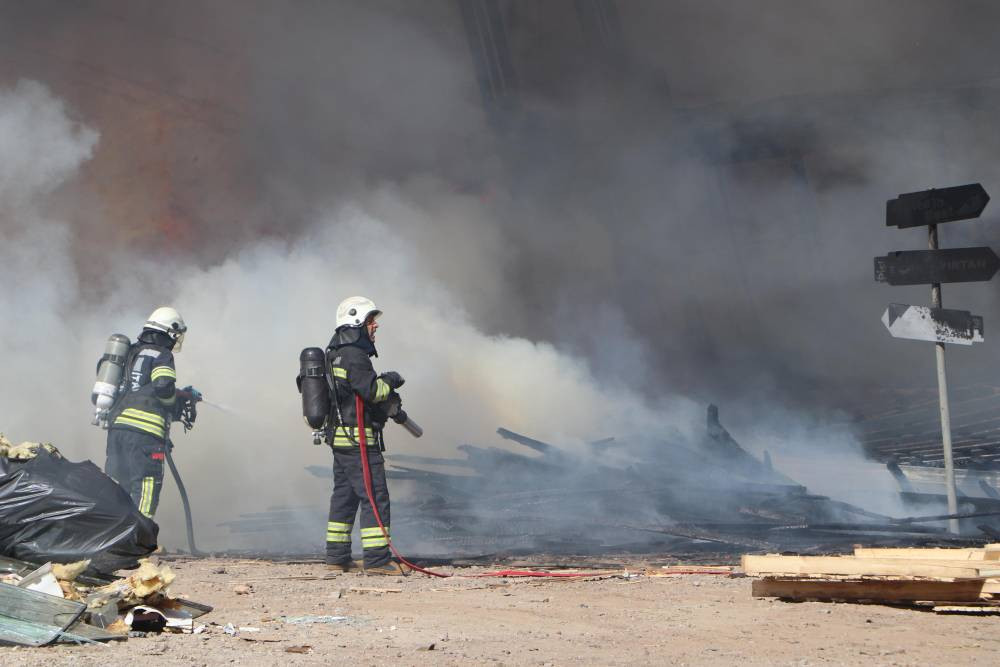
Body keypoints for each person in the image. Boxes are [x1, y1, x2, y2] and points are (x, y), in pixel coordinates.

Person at [324, 296, 408, 575]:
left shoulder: (334, 353)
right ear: (357, 324)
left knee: (345, 498)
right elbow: (372, 391)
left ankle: (337, 557)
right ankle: (378, 560)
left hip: (341, 440)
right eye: (371, 321)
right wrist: (391, 380)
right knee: (375, 496)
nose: (375, 327)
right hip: (359, 441)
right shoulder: (354, 356)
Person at [104, 307, 194, 517]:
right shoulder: (162, 355)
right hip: (145, 436)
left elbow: (138, 388)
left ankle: (112, 536)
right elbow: (163, 387)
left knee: (117, 485)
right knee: (146, 485)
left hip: (117, 429)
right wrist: (174, 404)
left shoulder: (130, 352)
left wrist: (180, 395)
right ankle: (137, 540)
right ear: (169, 332)